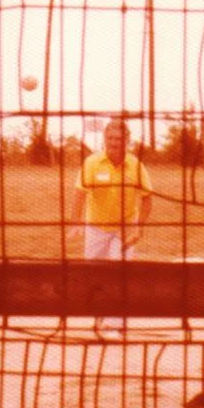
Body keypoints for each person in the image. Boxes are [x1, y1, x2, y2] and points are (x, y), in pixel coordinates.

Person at [69, 118, 154, 334]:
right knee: (94, 273)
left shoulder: (136, 166)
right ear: (104, 138)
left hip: (124, 226)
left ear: (127, 141)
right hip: (96, 226)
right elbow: (79, 193)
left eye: (119, 139)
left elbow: (147, 198)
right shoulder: (92, 163)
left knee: (120, 272)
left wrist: (139, 228)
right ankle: (98, 316)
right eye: (110, 138)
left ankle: (116, 323)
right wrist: (76, 222)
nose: (114, 142)